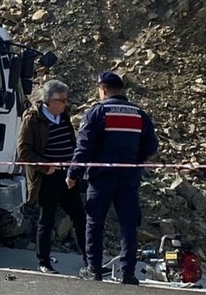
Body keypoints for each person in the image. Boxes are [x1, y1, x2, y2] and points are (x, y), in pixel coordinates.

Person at [67, 71, 158, 285]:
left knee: (95, 222)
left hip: (101, 177)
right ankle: (128, 273)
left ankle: (94, 269)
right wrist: (135, 160)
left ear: (104, 89)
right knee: (128, 224)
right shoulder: (138, 113)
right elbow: (151, 146)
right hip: (129, 177)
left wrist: (73, 173)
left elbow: (84, 146)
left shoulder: (98, 112)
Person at [16, 80, 87, 274]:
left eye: (66, 100)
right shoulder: (32, 119)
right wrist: (45, 167)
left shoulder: (63, 116)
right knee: (46, 219)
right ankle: (44, 262)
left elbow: (71, 142)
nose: (66, 103)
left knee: (80, 217)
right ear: (49, 101)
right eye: (62, 100)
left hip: (68, 175)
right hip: (47, 177)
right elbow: (24, 151)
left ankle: (90, 261)